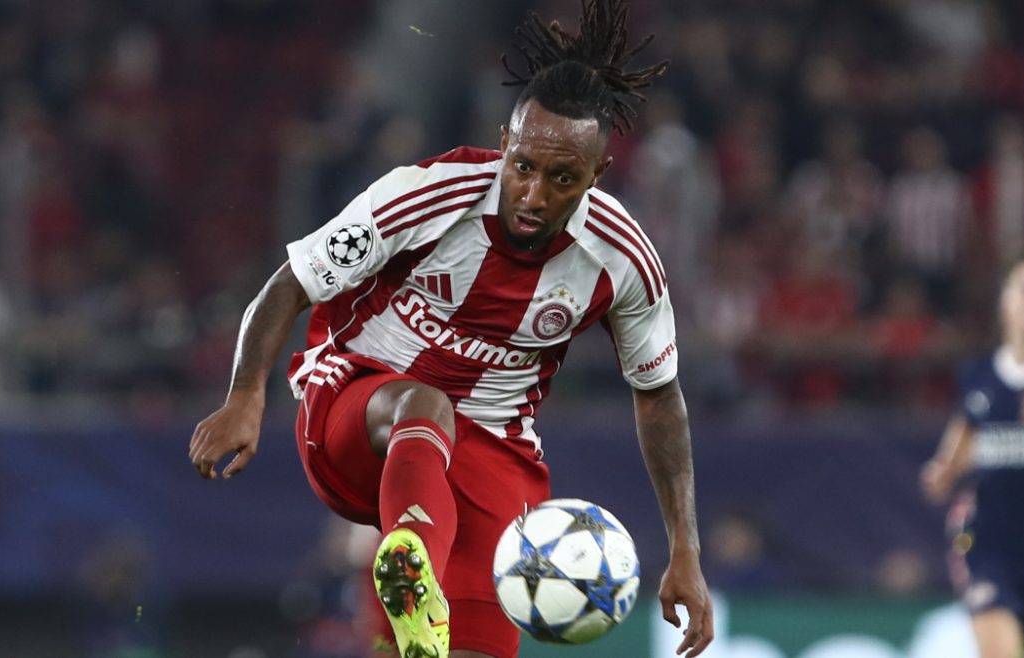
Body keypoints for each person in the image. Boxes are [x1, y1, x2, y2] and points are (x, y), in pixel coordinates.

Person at [189, 2, 714, 657]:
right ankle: (411, 569)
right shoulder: (428, 194)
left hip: (490, 448)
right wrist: (245, 395)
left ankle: (413, 612)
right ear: (505, 143)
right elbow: (289, 283)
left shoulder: (622, 258)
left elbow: (659, 395)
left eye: (562, 178)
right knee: (425, 402)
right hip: (357, 408)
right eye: (523, 167)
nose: (534, 195)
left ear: (597, 175)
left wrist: (685, 550)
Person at [921, 245, 1024, 658]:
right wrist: (942, 472)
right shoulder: (978, 377)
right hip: (993, 550)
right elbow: (954, 453)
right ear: (1004, 301)